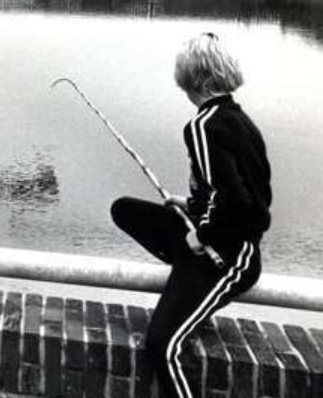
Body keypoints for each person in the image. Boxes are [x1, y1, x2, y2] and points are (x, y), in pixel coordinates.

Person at [110, 33, 271, 398]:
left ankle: (190, 282)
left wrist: (199, 237)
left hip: (228, 256)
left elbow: (238, 204)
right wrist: (190, 205)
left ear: (191, 79)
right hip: (215, 237)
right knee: (125, 210)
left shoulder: (202, 126)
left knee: (161, 346)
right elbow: (236, 193)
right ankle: (187, 278)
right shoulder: (240, 121)